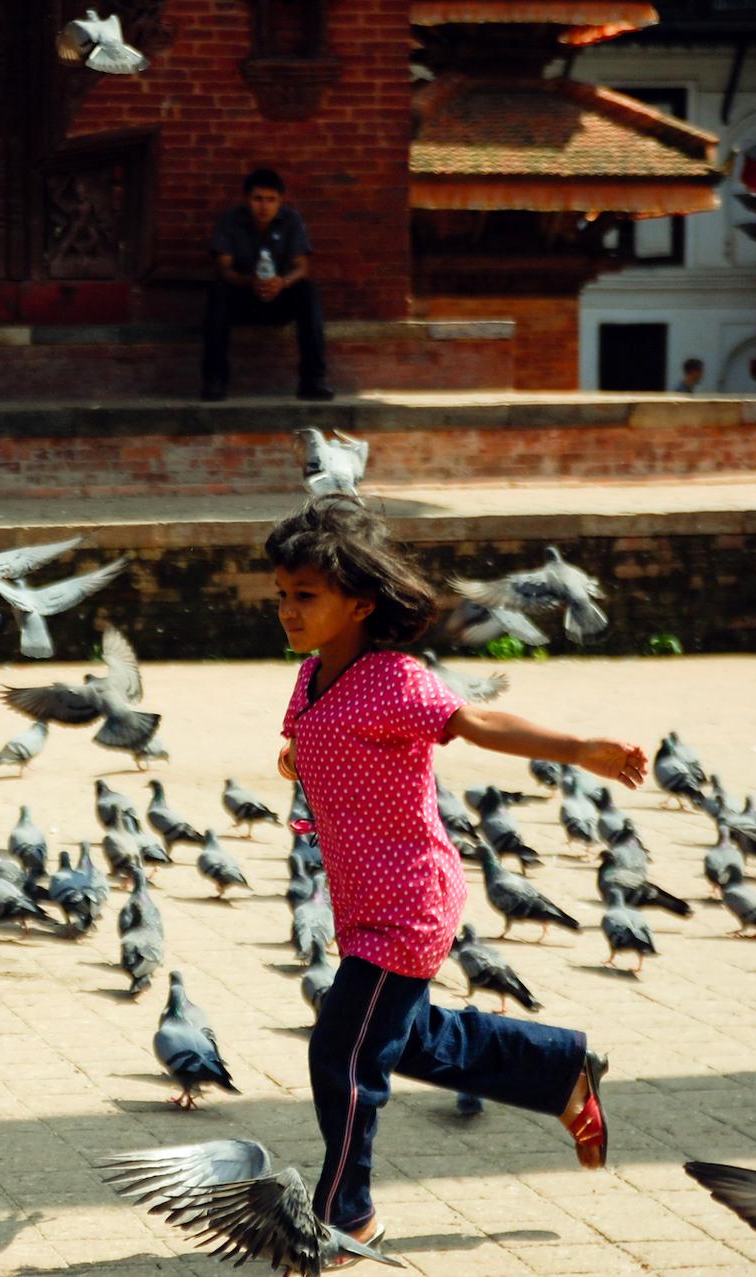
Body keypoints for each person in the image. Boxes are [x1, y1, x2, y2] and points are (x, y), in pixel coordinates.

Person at [267, 495, 647, 1258]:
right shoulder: (311, 677)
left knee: (341, 1052)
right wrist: (297, 759)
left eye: (305, 595)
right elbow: (308, 740)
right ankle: (562, 1068)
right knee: (406, 1041)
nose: (288, 609)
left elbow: (475, 722)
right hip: (363, 900)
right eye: (282, 594)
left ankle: (350, 1216)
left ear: (360, 603)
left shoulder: (397, 678)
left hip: (408, 902)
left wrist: (578, 747)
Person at [204, 168, 331, 402]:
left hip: (279, 296)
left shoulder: (291, 221)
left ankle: (313, 381)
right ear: (247, 199)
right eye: (258, 199)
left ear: (280, 201)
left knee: (308, 291)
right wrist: (247, 281)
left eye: (271, 200)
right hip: (244, 296)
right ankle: (215, 381)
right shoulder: (231, 220)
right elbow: (223, 268)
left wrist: (282, 283)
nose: (264, 206)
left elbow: (302, 267)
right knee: (218, 293)